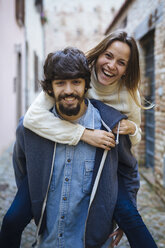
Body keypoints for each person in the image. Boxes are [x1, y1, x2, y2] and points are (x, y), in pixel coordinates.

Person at [0, 38, 157, 247]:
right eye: (108, 56)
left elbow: (131, 152)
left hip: (109, 167)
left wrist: (132, 129)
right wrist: (84, 134)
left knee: (131, 218)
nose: (111, 65)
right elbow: (28, 133)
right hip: (62, 149)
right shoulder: (70, 76)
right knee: (11, 220)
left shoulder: (126, 98)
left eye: (121, 62)